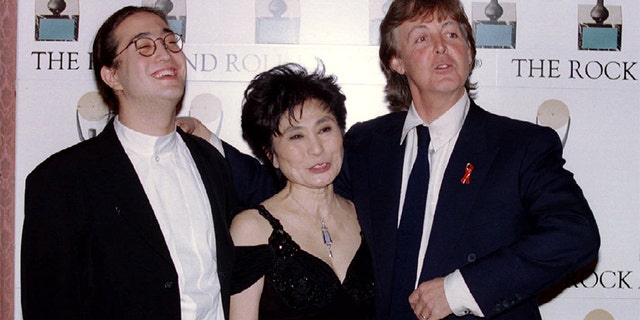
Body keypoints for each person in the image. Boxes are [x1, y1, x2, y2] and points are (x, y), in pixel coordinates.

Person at [179, 1, 600, 319]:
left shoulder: (522, 145)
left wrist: (459, 291)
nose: (441, 47)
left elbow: (575, 235)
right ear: (395, 61)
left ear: (470, 51)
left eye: (453, 34)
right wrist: (211, 145)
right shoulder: (367, 143)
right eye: (422, 37)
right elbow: (298, 194)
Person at [21, 6, 237, 320]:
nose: (164, 54)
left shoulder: (212, 163)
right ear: (112, 75)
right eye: (144, 46)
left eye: (169, 42)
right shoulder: (61, 181)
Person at [228, 63, 374, 320]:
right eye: (296, 137)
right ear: (270, 154)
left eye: (324, 129)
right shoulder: (252, 229)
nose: (316, 149)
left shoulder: (366, 215)